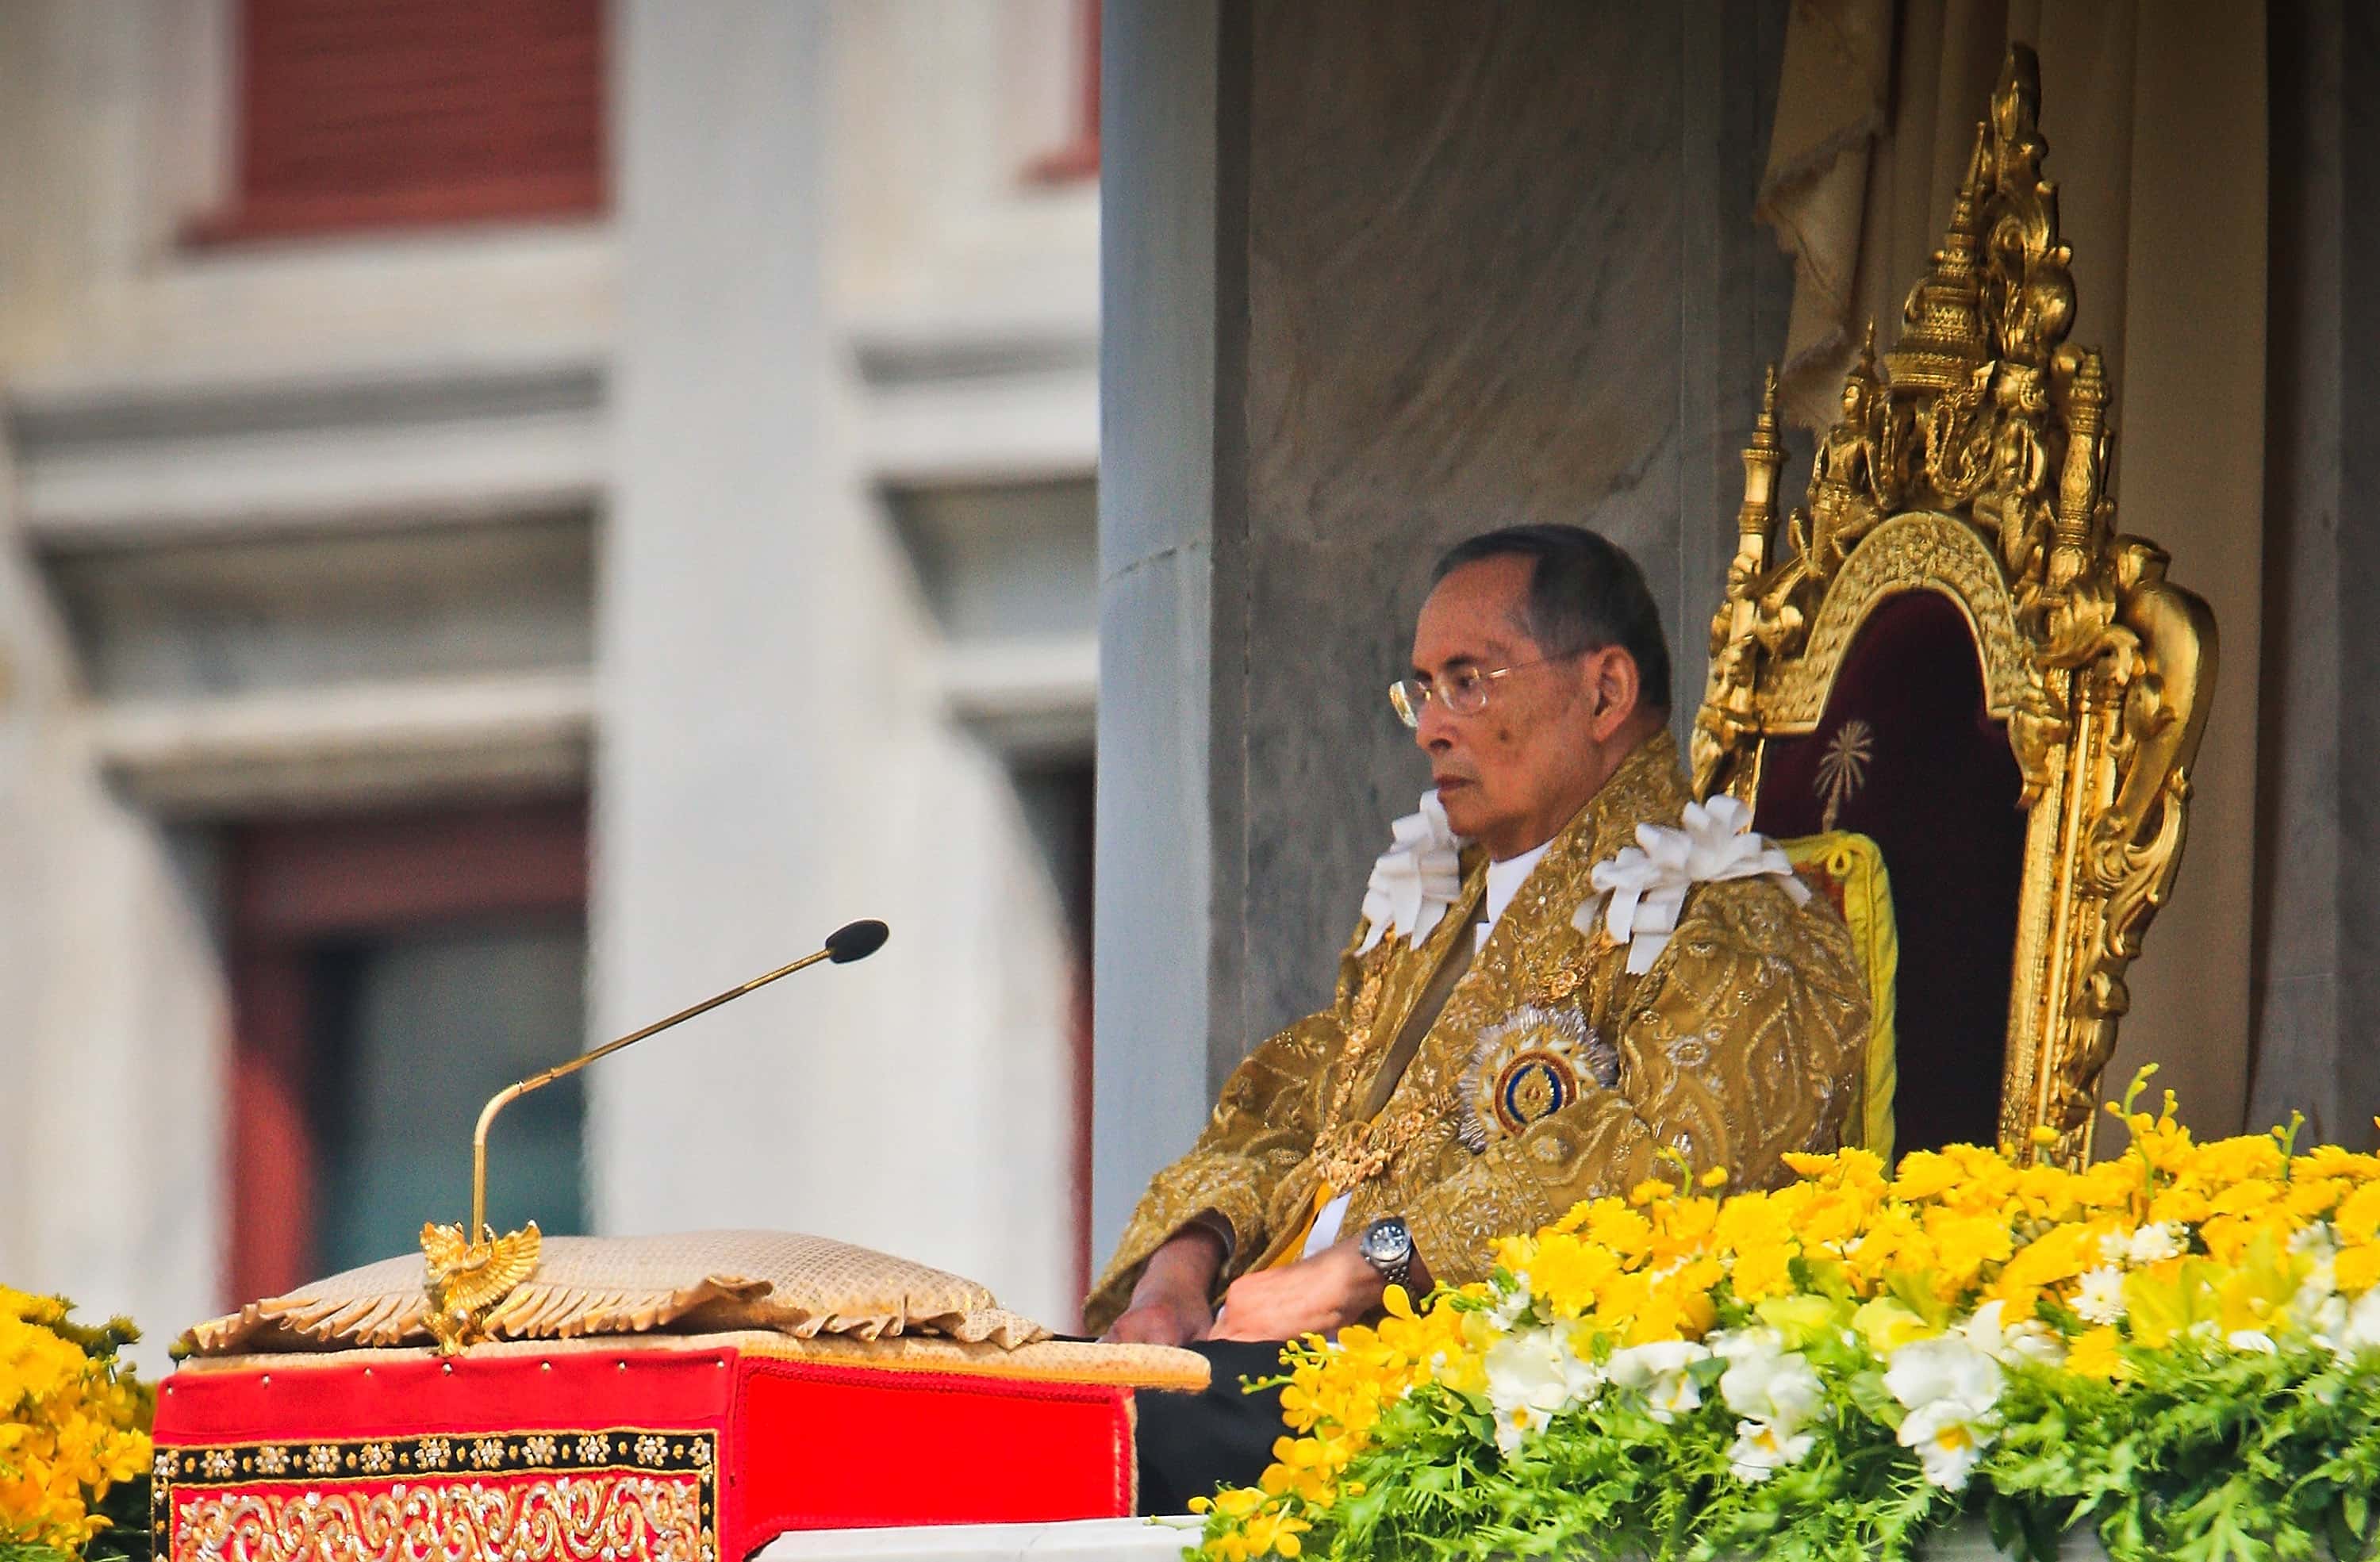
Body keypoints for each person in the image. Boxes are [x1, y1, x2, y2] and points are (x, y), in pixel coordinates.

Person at [1086, 524, 1870, 1514]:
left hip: (1455, 1408)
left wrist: (1361, 1269)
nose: (1429, 727)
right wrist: (1176, 1272)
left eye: (1469, 681)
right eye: (1422, 688)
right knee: (977, 1397)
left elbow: (1670, 1164)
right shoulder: (1428, 911)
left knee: (1078, 1446)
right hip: (1242, 1350)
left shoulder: (1730, 919)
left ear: (1605, 692)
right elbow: (1285, 1111)